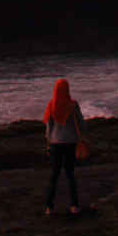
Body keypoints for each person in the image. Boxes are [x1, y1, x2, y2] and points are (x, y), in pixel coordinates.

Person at [42, 78, 85, 214]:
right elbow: (82, 124)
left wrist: (48, 143)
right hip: (71, 143)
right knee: (70, 174)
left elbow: (49, 128)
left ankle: (49, 207)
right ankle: (74, 206)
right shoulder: (73, 105)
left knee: (54, 175)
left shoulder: (51, 105)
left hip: (55, 144)